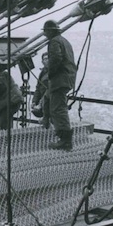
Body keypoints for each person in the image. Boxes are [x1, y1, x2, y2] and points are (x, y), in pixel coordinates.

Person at [42, 20, 76, 150]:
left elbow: (56, 59)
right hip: (67, 78)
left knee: (57, 109)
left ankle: (65, 140)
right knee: (59, 106)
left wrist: (50, 74)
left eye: (45, 32)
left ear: (50, 31)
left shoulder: (54, 42)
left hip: (60, 79)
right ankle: (65, 139)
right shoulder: (64, 41)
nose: (45, 35)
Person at [31, 53, 51, 129]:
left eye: (47, 59)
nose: (46, 61)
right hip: (44, 101)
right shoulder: (42, 73)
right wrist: (34, 101)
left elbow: (50, 89)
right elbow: (38, 88)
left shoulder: (53, 72)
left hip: (50, 100)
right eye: (44, 59)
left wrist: (40, 103)